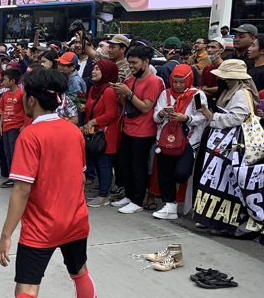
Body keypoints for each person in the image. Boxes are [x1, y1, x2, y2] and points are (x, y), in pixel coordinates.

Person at [0, 67, 101, 298]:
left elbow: (22, 189)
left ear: (29, 99)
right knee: (80, 272)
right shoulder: (73, 131)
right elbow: (81, 178)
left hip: (40, 229)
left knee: (25, 291)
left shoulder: (30, 135)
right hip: (76, 222)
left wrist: (5, 235)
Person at [111, 46, 164, 214]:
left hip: (144, 131)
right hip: (128, 128)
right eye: (129, 62)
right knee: (124, 164)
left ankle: (137, 200)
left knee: (138, 167)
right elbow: (123, 104)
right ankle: (129, 195)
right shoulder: (130, 80)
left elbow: (146, 108)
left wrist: (128, 93)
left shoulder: (154, 81)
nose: (131, 66)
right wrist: (120, 91)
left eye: (134, 63)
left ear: (146, 62)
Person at [151, 65, 208, 221]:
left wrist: (186, 119)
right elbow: (155, 117)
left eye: (182, 82)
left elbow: (202, 117)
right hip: (165, 139)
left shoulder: (197, 94)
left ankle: (177, 199)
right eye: (175, 81)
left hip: (189, 140)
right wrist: (162, 113)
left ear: (189, 80)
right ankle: (170, 205)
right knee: (164, 173)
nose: (178, 85)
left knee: (182, 172)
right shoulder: (165, 94)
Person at [82, 60, 121, 207]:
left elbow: (111, 114)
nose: (93, 71)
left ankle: (104, 195)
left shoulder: (109, 90)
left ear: (107, 73)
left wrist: (92, 122)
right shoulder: (94, 88)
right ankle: (101, 190)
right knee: (98, 163)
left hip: (105, 133)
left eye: (98, 69)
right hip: (95, 132)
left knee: (104, 164)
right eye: (94, 68)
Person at [197, 59, 257, 130]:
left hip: (234, 138)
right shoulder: (229, 91)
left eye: (222, 77)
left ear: (232, 79)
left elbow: (236, 118)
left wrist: (211, 116)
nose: (218, 79)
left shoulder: (241, 93)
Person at [0, 68, 24, 188]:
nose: (3, 81)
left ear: (13, 81)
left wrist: (24, 125)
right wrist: (0, 125)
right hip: (6, 127)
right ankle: (10, 176)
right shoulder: (4, 94)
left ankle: (15, 178)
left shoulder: (21, 94)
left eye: (6, 79)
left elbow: (26, 110)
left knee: (14, 153)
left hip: (15, 127)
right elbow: (3, 111)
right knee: (7, 153)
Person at [200, 38, 225, 106]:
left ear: (221, 50)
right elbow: (201, 88)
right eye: (208, 47)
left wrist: (206, 90)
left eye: (213, 47)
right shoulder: (206, 68)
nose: (209, 50)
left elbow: (221, 89)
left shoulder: (225, 67)